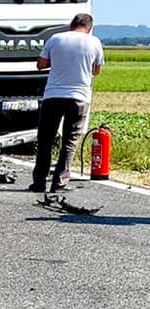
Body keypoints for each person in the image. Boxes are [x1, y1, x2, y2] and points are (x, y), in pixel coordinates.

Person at [30, 13, 104, 192]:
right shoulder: (94, 42)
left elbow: (40, 64)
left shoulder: (55, 39)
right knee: (70, 141)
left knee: (45, 139)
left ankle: (39, 182)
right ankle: (59, 183)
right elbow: (96, 71)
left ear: (72, 24)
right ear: (89, 27)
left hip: (53, 95)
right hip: (79, 97)